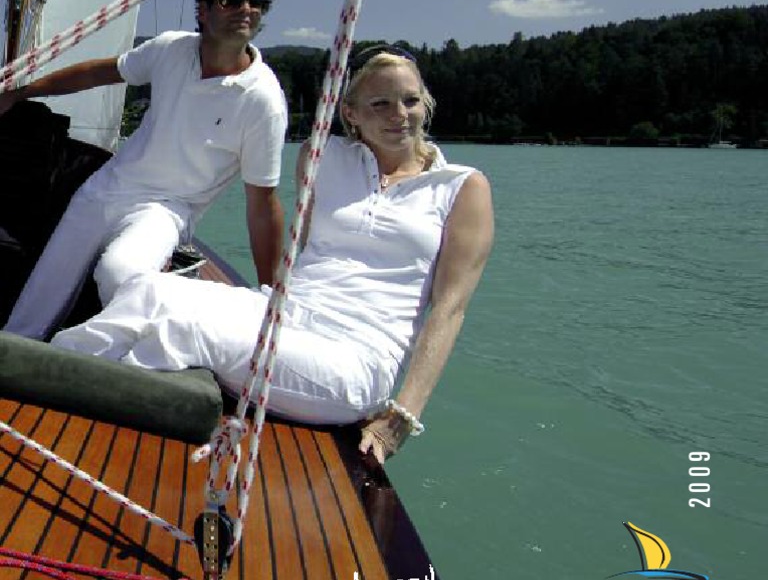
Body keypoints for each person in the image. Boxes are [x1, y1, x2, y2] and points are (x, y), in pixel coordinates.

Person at [51, 46, 494, 462]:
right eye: (380, 104)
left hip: (354, 357)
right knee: (148, 290)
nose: (399, 114)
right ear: (351, 114)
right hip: (285, 314)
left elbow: (450, 308)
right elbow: (307, 250)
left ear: (425, 103)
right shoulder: (323, 156)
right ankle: (50, 376)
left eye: (410, 100)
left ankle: (60, 407)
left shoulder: (461, 186)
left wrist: (402, 416)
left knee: (187, 330)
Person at [3, 0, 287, 340]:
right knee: (37, 301)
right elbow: (99, 72)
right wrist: (21, 92)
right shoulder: (171, 50)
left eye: (257, 2)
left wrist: (271, 296)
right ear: (203, 11)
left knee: (119, 273)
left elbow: (262, 205)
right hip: (109, 187)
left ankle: (101, 354)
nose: (246, 9)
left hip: (168, 209)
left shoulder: (263, 100)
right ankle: (17, 350)